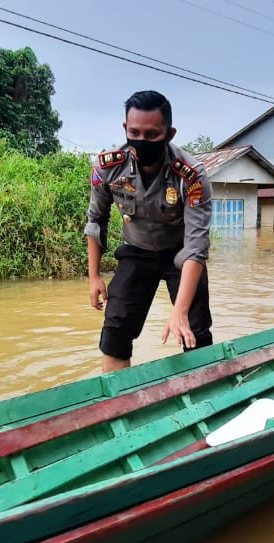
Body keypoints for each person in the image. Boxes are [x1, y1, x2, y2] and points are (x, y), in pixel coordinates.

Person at [85, 90, 212, 373]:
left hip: (180, 255)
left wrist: (179, 312)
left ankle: (203, 391)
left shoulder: (191, 175)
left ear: (169, 133)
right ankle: (121, 402)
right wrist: (94, 276)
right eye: (135, 132)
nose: (142, 141)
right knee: (115, 330)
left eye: (152, 135)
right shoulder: (108, 168)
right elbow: (96, 220)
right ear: (125, 130)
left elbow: (196, 247)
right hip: (136, 251)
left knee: (195, 330)